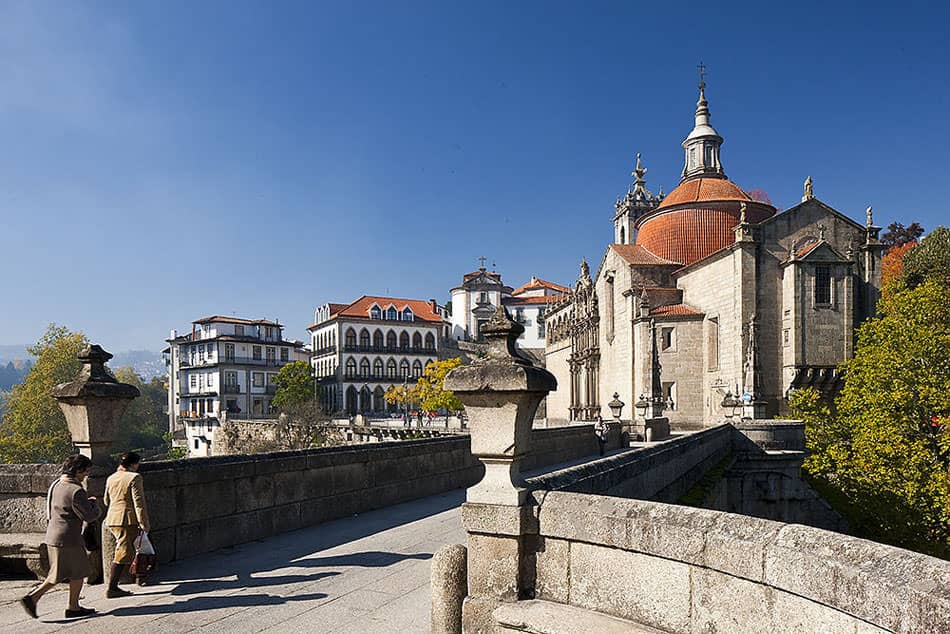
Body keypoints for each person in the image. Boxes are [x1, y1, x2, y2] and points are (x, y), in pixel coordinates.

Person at [20, 454, 101, 620]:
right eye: (86, 471)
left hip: (53, 535)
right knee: (78, 573)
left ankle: (35, 599)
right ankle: (72, 607)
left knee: (57, 574)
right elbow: (89, 516)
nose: (87, 474)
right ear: (78, 470)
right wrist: (95, 505)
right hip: (69, 538)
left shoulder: (57, 484)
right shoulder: (76, 490)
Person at [103, 452, 151, 596]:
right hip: (127, 519)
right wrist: (144, 523)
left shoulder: (112, 477)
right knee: (124, 552)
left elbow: (106, 500)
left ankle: (140, 576)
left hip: (112, 518)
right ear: (134, 464)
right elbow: (139, 503)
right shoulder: (134, 477)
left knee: (130, 548)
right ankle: (112, 587)